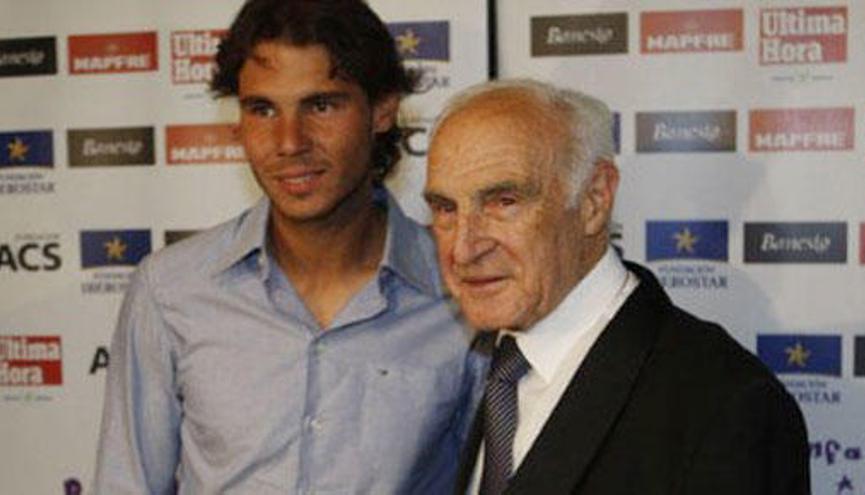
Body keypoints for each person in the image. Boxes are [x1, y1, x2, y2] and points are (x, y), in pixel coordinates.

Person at [94, 1, 472, 493]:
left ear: (382, 109)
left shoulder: (462, 292)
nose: (289, 141)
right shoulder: (171, 289)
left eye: (321, 105)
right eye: (262, 109)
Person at [423, 79, 810, 495]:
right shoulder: (493, 369)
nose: (464, 249)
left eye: (504, 202)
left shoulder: (725, 406)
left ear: (594, 199)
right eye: (445, 208)